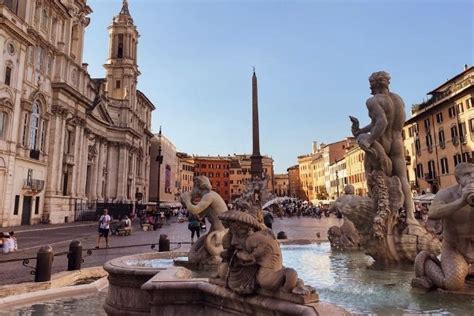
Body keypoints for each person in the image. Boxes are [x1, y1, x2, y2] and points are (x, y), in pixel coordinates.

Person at [350, 71, 416, 222]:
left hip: (383, 141)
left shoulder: (373, 101)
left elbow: (382, 122)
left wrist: (368, 138)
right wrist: (361, 129)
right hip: (398, 142)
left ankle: (379, 212)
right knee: (402, 178)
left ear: (373, 85)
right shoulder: (398, 100)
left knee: (372, 173)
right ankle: (411, 217)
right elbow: (380, 122)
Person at [412, 162, 474, 291]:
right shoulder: (446, 194)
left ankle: (466, 270)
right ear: (458, 179)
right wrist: (461, 201)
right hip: (455, 248)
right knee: (453, 284)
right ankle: (427, 262)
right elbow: (433, 213)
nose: (472, 177)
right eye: (467, 175)